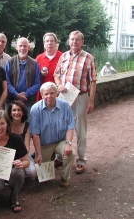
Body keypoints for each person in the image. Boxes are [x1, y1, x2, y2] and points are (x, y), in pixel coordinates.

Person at [54, 30, 97, 174]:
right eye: (72, 39)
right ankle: (60, 156)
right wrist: (59, 85)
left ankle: (81, 159)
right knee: (61, 126)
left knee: (80, 129)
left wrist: (90, 101)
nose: (74, 42)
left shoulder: (89, 58)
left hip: (80, 96)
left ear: (82, 42)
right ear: (69, 41)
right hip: (64, 96)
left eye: (77, 39)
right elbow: (56, 74)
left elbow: (93, 81)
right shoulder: (64, 56)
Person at [0, 110, 29, 213]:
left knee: (19, 173)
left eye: (2, 123)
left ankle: (14, 198)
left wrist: (21, 164)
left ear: (7, 124)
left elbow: (27, 161)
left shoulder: (16, 138)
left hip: (12, 171)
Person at [30, 82, 76, 187]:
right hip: (45, 144)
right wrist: (39, 153)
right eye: (46, 94)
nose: (49, 96)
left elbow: (70, 126)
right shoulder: (35, 109)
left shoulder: (64, 105)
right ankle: (46, 163)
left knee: (71, 153)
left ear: (57, 93)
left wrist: (68, 143)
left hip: (60, 141)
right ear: (42, 95)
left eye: (52, 93)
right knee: (43, 178)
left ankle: (64, 178)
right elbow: (35, 134)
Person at [5, 37, 40, 115]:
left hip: (29, 102)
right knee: (11, 125)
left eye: (25, 46)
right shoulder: (10, 62)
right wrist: (16, 94)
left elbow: (37, 83)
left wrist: (26, 94)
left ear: (28, 47)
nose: (22, 48)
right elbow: (6, 81)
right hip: (12, 101)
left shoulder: (34, 63)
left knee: (28, 125)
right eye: (20, 46)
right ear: (16, 47)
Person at [7, 100, 36, 180]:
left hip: (23, 155)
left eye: (19, 110)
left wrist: (20, 159)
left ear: (23, 113)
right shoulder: (6, 125)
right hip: (8, 155)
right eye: (14, 110)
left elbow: (27, 147)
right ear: (10, 113)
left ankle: (23, 170)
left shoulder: (26, 126)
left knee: (33, 174)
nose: (17, 112)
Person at [35, 32, 62, 101]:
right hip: (43, 94)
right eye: (47, 41)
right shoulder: (39, 58)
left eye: (52, 41)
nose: (49, 43)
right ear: (44, 44)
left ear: (56, 43)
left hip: (58, 94)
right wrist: (41, 74)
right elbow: (33, 76)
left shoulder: (63, 57)